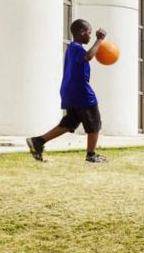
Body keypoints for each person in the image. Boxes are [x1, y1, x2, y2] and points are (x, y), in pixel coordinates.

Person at [26, 19, 108, 164]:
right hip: (81, 93)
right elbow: (88, 57)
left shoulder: (72, 48)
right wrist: (99, 40)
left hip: (70, 92)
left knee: (69, 123)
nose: (90, 37)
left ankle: (37, 142)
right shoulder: (77, 48)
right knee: (94, 123)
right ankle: (91, 155)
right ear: (81, 32)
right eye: (89, 34)